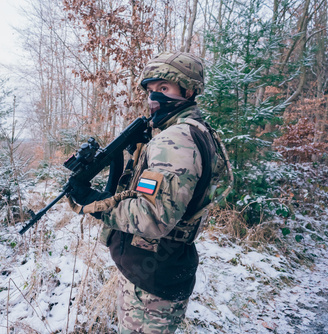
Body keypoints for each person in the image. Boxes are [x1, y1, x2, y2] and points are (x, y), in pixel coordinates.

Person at [68, 51, 231, 333]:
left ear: (189, 90)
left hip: (151, 281)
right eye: (151, 90)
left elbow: (153, 217)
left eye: (165, 89)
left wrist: (96, 203)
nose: (155, 98)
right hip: (162, 268)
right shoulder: (195, 130)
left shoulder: (175, 139)